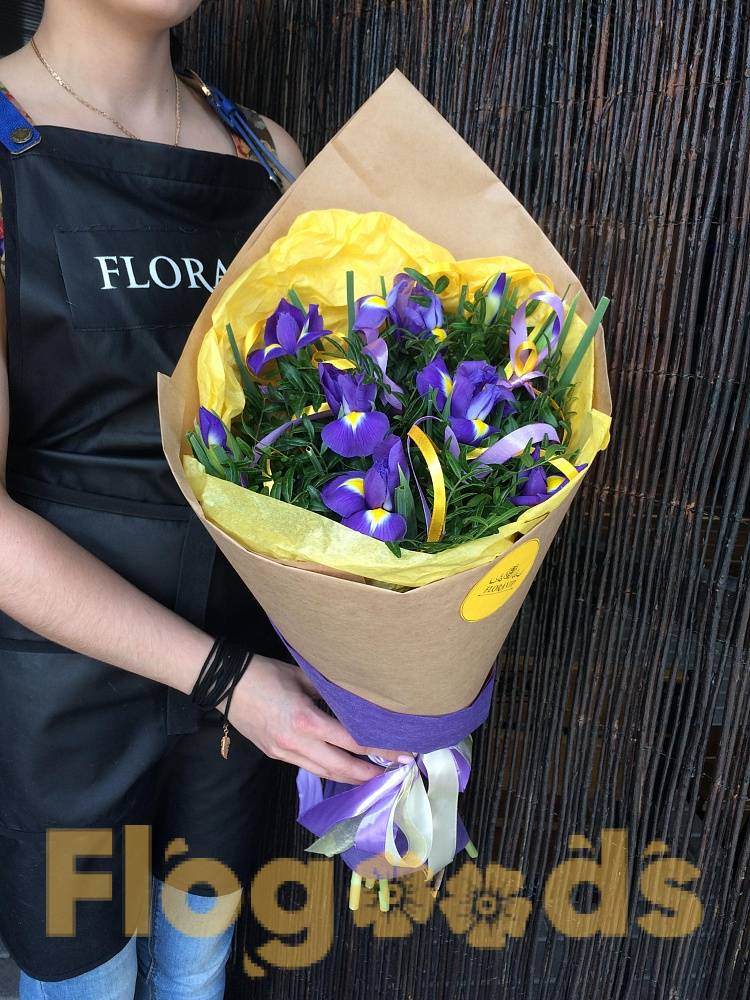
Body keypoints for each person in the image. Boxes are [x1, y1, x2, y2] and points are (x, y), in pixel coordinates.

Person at [0, 2, 405, 996]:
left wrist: (393, 667)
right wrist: (226, 679)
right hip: (71, 704)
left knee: (196, 972)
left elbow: (321, 447)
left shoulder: (266, 154)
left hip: (251, 703)